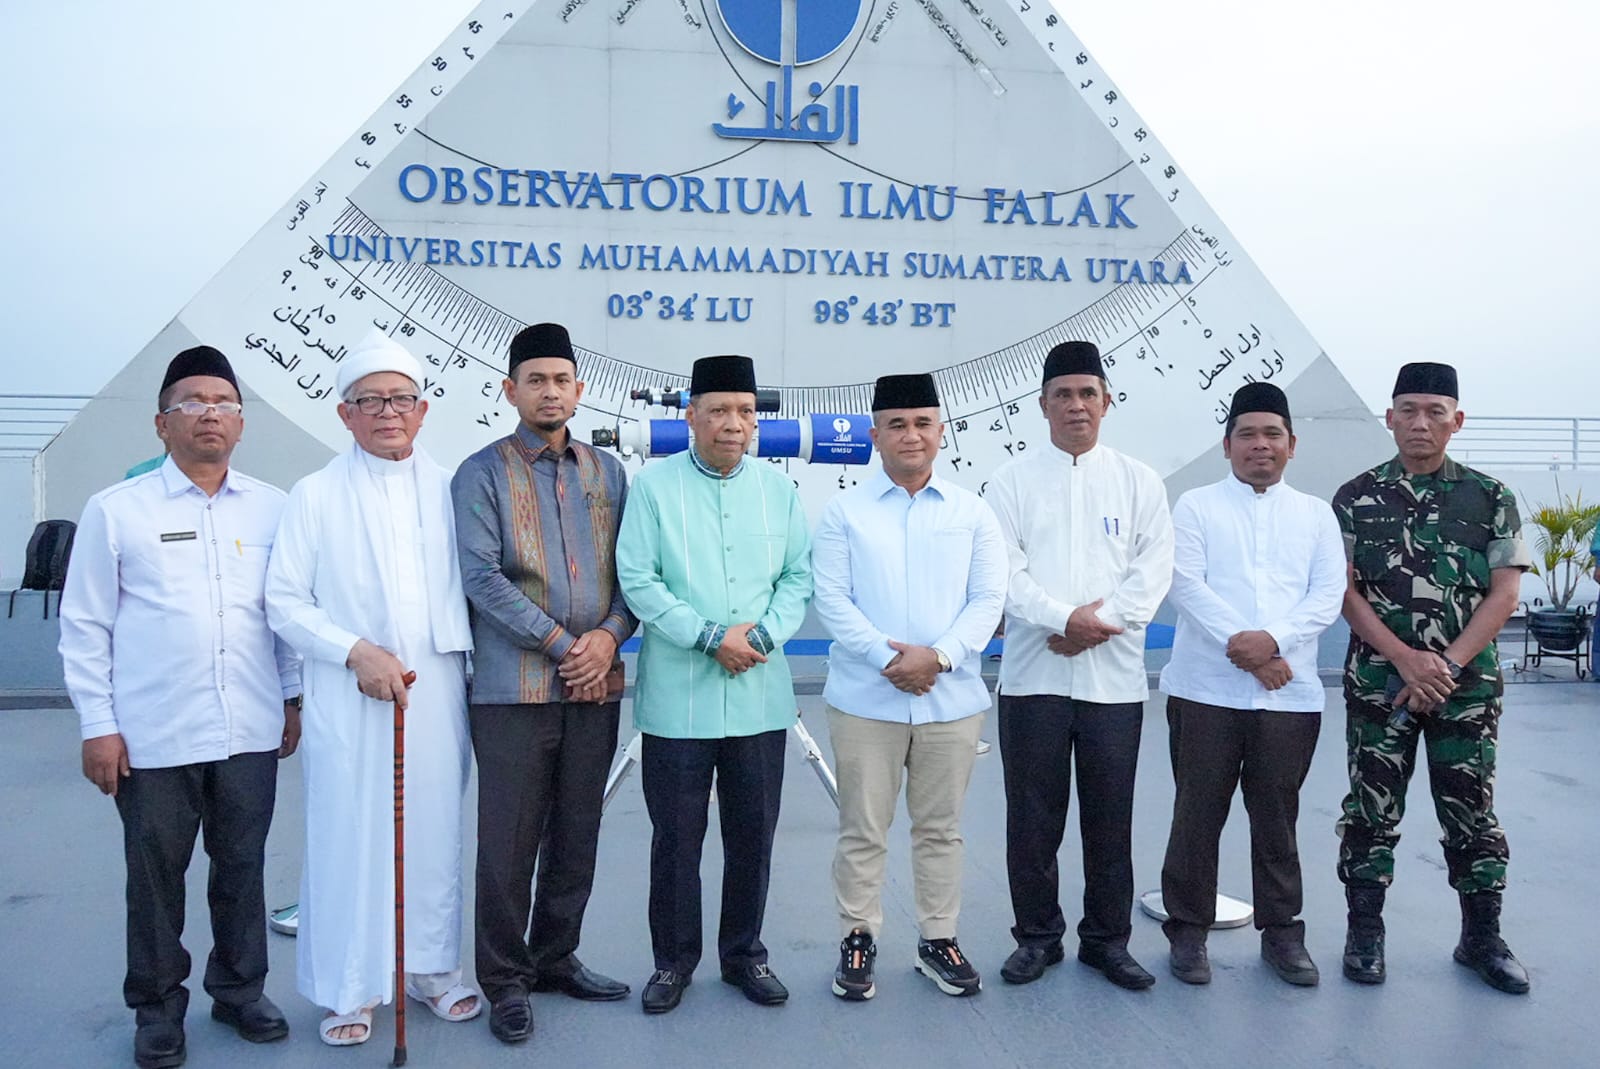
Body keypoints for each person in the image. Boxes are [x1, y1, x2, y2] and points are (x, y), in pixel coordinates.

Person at [60, 345, 301, 1069]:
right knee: (155, 879)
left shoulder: (273, 507)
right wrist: (98, 726)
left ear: (241, 423)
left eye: (224, 403)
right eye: (192, 402)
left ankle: (239, 991)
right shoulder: (117, 510)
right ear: (161, 422)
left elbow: (283, 613)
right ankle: (158, 1009)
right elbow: (85, 625)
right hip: (153, 736)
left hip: (249, 728)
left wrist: (291, 697)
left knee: (242, 868)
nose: (210, 414)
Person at [265, 329, 481, 1045]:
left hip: (437, 688)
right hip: (347, 693)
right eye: (371, 401)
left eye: (401, 399)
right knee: (348, 833)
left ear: (422, 410)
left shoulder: (454, 488)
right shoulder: (315, 494)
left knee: (433, 830)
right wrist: (353, 651)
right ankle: (350, 987)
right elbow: (284, 601)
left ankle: (432, 970)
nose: (388, 412)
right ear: (345, 413)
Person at [451, 322, 637, 1043]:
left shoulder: (607, 473)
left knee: (577, 831)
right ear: (511, 390)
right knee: (508, 841)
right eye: (536, 380)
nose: (550, 392)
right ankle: (504, 979)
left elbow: (631, 572)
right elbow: (480, 577)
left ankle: (556, 957)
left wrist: (608, 637)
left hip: (596, 686)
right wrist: (567, 645)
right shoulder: (481, 472)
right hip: (513, 692)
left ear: (579, 390)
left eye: (561, 380)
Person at [615, 354, 812, 1014]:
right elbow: (639, 579)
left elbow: (798, 578)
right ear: (691, 417)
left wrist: (760, 638)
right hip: (679, 700)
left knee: (752, 835)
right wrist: (709, 636)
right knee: (676, 839)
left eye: (745, 412)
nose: (734, 423)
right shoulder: (653, 487)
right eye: (720, 410)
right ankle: (672, 962)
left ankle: (744, 955)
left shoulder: (779, 490)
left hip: (760, 695)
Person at [1334, 361, 1532, 993]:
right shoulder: (1355, 497)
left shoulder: (1491, 496)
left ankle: (1482, 938)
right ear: (1390, 418)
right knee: (1370, 809)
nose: (1420, 423)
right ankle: (1365, 934)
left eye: (1435, 412)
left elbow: (1504, 594)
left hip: (1464, 689)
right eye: (1408, 411)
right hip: (1380, 682)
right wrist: (1403, 657)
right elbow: (1344, 593)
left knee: (1471, 809)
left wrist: (1444, 665)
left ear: (1457, 421)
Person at [810, 373, 1007, 1001]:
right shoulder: (844, 512)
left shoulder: (972, 512)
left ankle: (938, 939)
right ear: (875, 436)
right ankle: (857, 937)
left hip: (951, 701)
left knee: (940, 829)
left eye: (923, 423)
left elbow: (988, 600)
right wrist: (889, 659)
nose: (911, 435)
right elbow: (833, 599)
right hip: (865, 700)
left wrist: (939, 658)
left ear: (941, 431)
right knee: (862, 829)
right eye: (897, 424)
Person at [985, 340, 1174, 991]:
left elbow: (1151, 575)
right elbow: (1005, 576)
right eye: (1062, 394)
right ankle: (1037, 937)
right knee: (1032, 821)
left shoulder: (1139, 481)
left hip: (1112, 683)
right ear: (1042, 404)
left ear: (1106, 402)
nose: (1075, 405)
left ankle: (1106, 941)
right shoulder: (1010, 482)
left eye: (1086, 393)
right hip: (1032, 679)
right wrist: (1064, 619)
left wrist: (1096, 625)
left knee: (1109, 819)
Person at [1156, 382, 1344, 987]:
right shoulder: (1195, 507)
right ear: (1227, 445)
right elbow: (1185, 585)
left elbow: (1327, 596)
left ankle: (1283, 934)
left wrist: (1274, 642)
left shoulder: (1315, 514)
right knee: (1196, 816)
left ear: (1292, 444)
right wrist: (1251, 651)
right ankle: (1188, 932)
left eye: (1272, 434)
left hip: (1288, 697)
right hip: (1204, 692)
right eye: (1247, 434)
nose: (1260, 445)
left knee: (1277, 819)